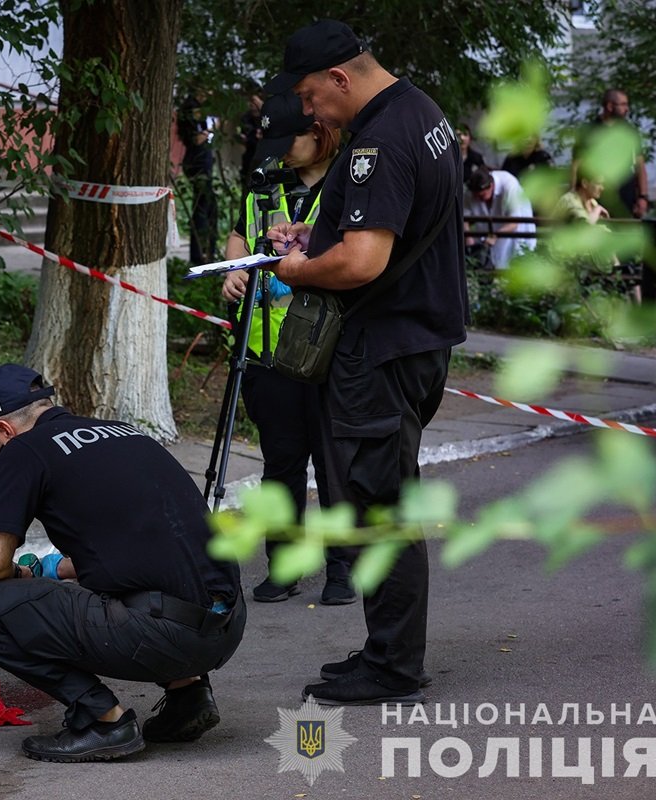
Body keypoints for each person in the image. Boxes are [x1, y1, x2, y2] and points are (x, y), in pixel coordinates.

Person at [264, 20, 468, 705]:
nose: (311, 113)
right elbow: (381, 223)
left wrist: (298, 267)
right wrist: (316, 232)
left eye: (312, 97)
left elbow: (361, 260)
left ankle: (393, 665)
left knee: (380, 503)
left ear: (340, 79)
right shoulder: (423, 112)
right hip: (418, 339)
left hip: (382, 347)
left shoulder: (375, 143)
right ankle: (387, 647)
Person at [0, 364, 246, 762]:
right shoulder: (126, 432)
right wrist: (54, 568)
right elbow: (145, 541)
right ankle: (189, 697)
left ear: (5, 429)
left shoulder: (24, 449)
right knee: (156, 587)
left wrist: (21, 574)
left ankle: (101, 720)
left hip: (162, 637)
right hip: (228, 626)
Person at [219, 90, 356, 605]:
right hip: (266, 353)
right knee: (281, 464)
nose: (280, 150)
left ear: (320, 131)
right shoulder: (264, 183)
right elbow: (239, 232)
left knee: (333, 463)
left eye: (289, 140)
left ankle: (344, 567)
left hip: (327, 351)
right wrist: (235, 267)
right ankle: (284, 565)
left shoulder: (349, 182)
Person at [577, 88, 649, 220]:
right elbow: (578, 164)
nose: (626, 109)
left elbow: (640, 165)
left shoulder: (629, 131)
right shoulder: (590, 130)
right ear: (610, 106)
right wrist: (576, 194)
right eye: (623, 104)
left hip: (626, 193)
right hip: (598, 192)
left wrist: (642, 197)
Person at [464, 166, 536, 270]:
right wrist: (468, 238)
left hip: (516, 229)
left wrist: (494, 236)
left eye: (482, 195)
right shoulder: (471, 192)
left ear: (491, 186)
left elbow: (514, 223)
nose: (478, 199)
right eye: (476, 196)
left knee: (516, 261)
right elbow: (464, 218)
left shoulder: (509, 185)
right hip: (490, 230)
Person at [178, 90, 219, 265]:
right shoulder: (191, 108)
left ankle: (206, 252)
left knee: (208, 208)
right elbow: (195, 139)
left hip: (203, 161)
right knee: (203, 209)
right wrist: (212, 128)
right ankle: (200, 255)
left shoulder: (202, 107)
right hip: (198, 162)